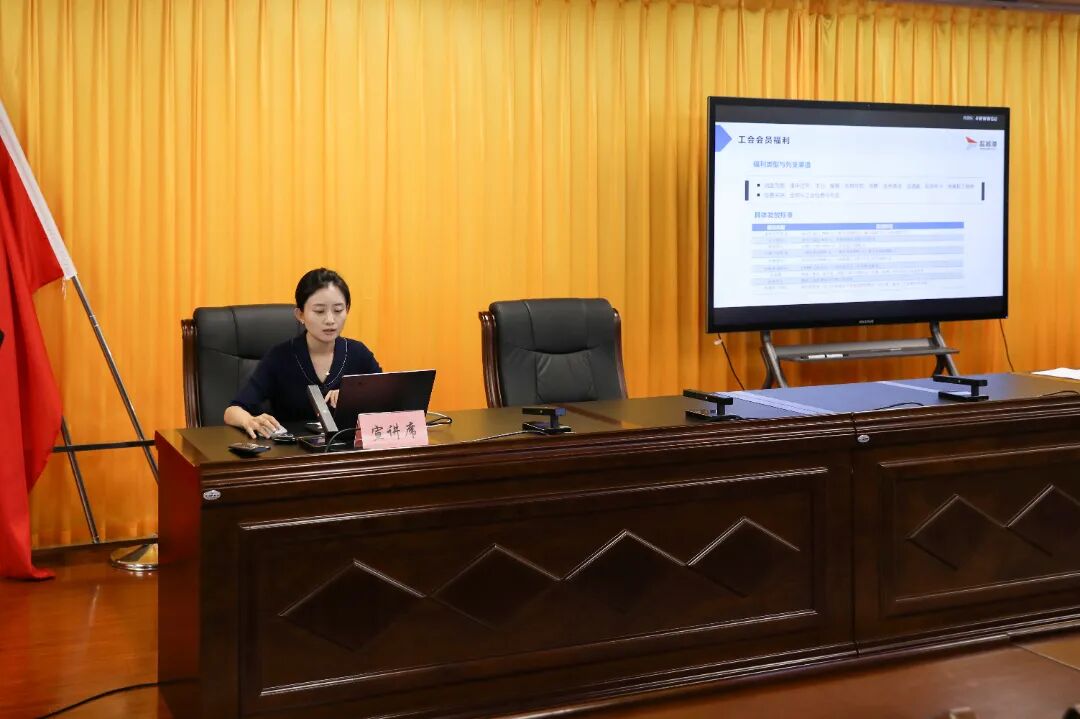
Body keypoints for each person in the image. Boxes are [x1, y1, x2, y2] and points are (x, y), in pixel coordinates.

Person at [224, 268, 381, 438]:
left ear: (347, 310)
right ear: (300, 314)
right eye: (319, 311)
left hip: (348, 451)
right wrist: (249, 420)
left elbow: (389, 400)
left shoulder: (358, 354)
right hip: (294, 451)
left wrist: (356, 396)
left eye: (338, 310)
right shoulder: (280, 357)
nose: (330, 320)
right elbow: (233, 411)